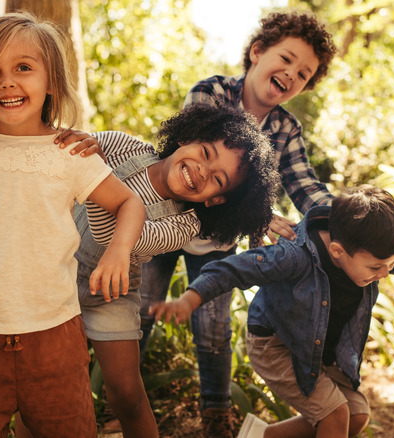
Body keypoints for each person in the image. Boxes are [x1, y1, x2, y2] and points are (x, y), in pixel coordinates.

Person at [150, 185, 394, 438]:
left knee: (356, 417)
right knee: (335, 416)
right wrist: (190, 298)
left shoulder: (372, 252)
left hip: (319, 351)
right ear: (338, 252)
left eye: (389, 264)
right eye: (376, 268)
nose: (385, 274)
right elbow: (234, 268)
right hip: (276, 346)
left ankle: (258, 437)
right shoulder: (294, 257)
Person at [135, 10, 338, 435]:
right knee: (141, 312)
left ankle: (216, 416)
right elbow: (192, 168)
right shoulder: (210, 93)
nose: (291, 74)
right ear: (257, 51)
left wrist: (342, 217)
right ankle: (125, 399)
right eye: (286, 59)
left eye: (303, 74)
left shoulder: (285, 128)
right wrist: (260, 215)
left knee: (214, 329)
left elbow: (304, 185)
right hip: (162, 222)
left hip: (216, 242)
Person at [0, 12, 146, 438]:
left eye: (24, 68)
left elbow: (129, 201)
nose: (7, 82)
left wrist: (118, 250)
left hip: (54, 338)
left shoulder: (69, 152)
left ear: (51, 81)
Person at [73, 100, 279, 438]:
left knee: (126, 392)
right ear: (188, 136)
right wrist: (83, 148)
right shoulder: (127, 147)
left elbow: (116, 235)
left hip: (111, 295)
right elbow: (78, 149)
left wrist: (93, 177)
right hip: (57, 275)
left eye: (217, 179)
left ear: (216, 200)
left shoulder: (183, 226)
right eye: (206, 153)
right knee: (52, 379)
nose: (202, 170)